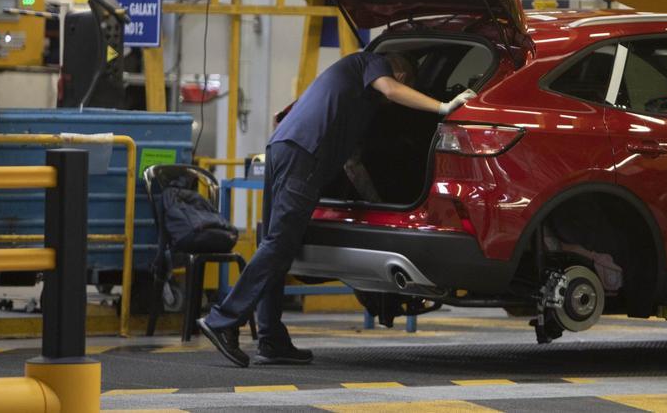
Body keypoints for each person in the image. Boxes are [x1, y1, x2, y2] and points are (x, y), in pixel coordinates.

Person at [198, 50, 474, 367]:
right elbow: (390, 89)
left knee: (276, 244)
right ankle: (223, 320)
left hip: (284, 146)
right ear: (402, 73)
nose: (391, 100)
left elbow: (352, 162)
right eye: (407, 83)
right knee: (279, 245)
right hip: (305, 155)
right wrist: (443, 106)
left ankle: (272, 339)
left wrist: (375, 203)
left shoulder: (352, 96)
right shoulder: (375, 62)